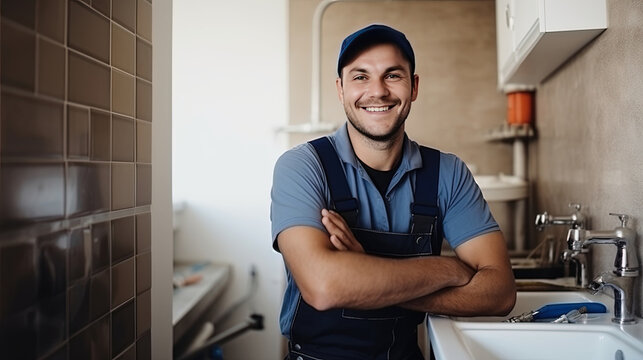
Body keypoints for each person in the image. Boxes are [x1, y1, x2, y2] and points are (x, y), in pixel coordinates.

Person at [270, 24, 516, 359]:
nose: (378, 91)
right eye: (360, 77)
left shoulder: (448, 173)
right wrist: (447, 270)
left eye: (392, 75)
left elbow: (499, 293)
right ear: (340, 89)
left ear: (413, 87)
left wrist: (363, 269)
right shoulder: (303, 167)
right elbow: (324, 287)